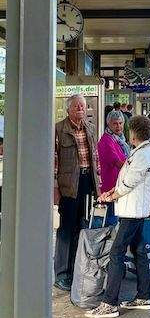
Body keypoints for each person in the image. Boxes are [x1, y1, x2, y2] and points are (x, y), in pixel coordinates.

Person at [86, 115, 150, 318]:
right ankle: (143, 297)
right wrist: (111, 193)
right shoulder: (142, 151)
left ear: (133, 133)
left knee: (116, 254)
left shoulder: (143, 155)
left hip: (132, 212)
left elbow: (128, 184)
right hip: (133, 210)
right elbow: (125, 182)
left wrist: (111, 196)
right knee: (138, 250)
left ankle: (110, 303)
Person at [54, 94, 101, 291]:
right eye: (77, 105)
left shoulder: (90, 128)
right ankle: (62, 274)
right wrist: (55, 188)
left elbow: (95, 158)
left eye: (83, 105)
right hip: (68, 185)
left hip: (86, 182)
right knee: (66, 228)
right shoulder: (59, 129)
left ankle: (75, 269)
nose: (81, 108)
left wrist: (99, 184)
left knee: (82, 226)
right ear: (68, 109)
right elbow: (53, 160)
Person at [97, 109, 129, 226]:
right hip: (110, 188)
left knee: (116, 218)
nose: (118, 126)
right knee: (111, 220)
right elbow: (117, 162)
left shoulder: (119, 140)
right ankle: (109, 243)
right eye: (115, 123)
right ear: (108, 124)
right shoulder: (106, 141)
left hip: (118, 186)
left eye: (120, 123)